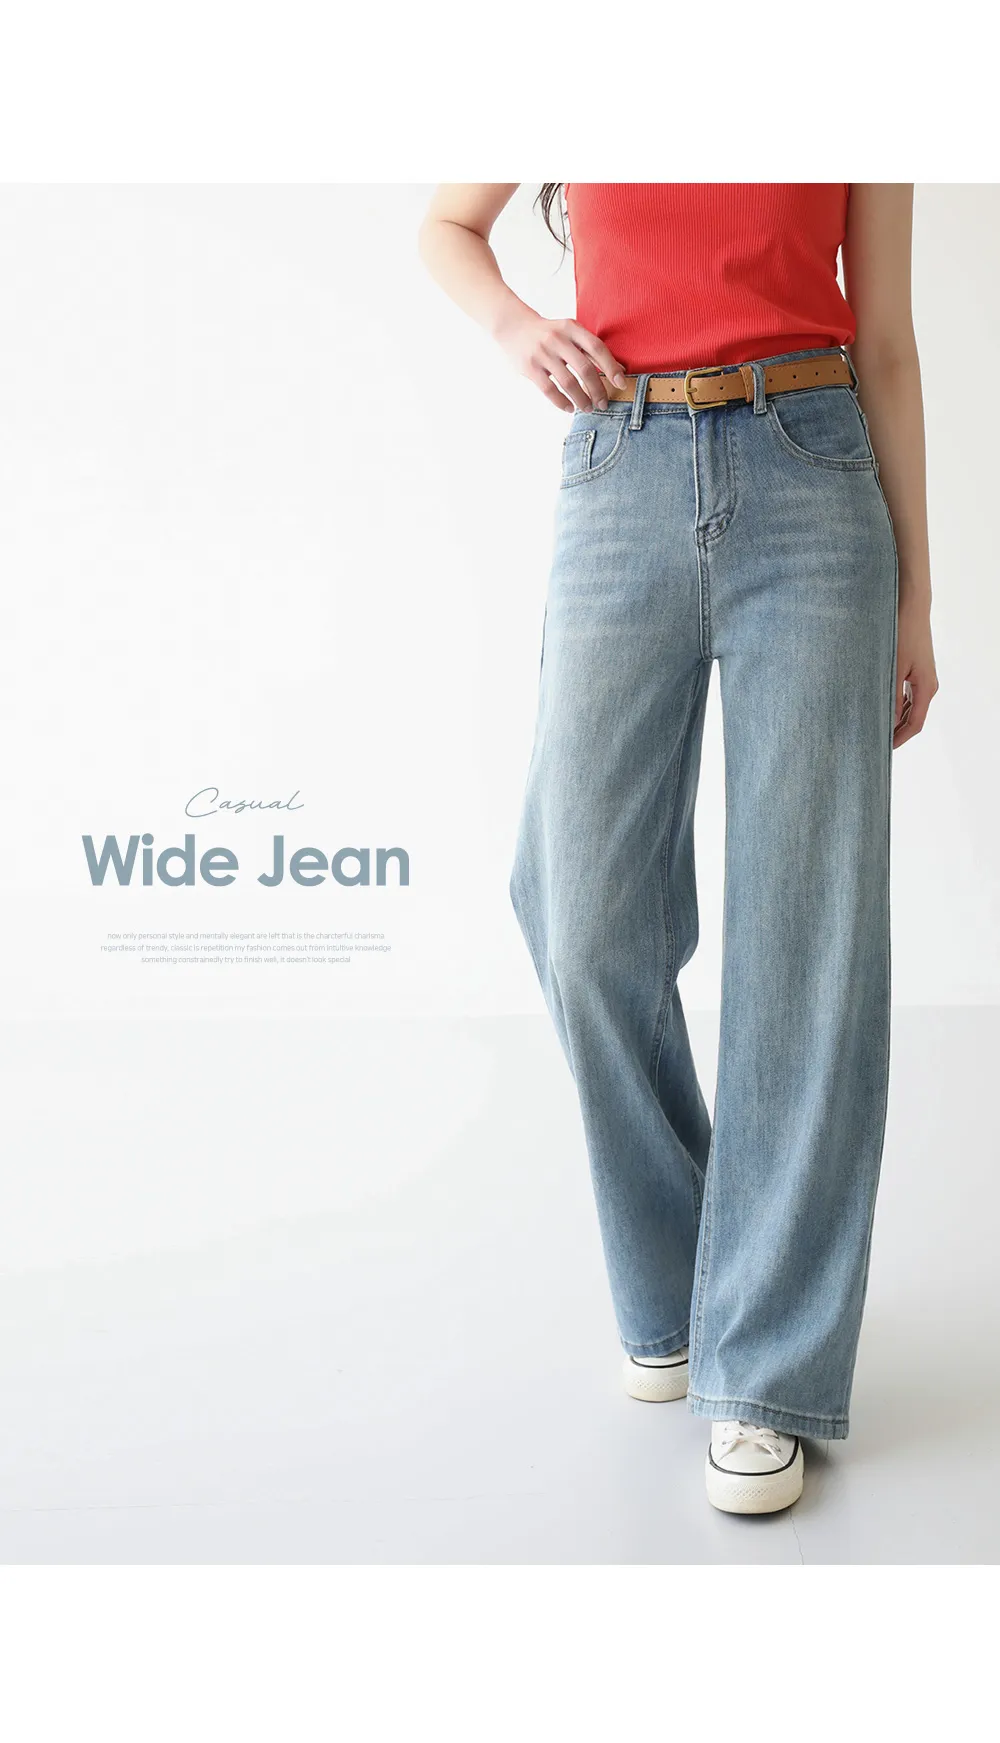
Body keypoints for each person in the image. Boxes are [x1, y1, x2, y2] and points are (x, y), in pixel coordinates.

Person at [418, 183, 937, 1515]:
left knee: (807, 937)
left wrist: (918, 597)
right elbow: (446, 226)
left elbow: (886, 339)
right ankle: (687, 1280)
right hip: (620, 464)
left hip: (813, 472)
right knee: (579, 911)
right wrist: (518, 326)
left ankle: (765, 1366)